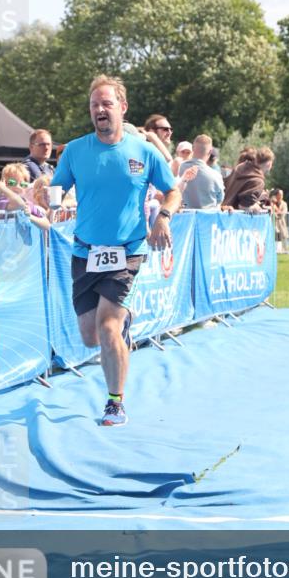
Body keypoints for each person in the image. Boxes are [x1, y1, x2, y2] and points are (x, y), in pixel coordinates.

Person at [51, 75, 180, 427]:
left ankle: (114, 403)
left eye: (107, 104)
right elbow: (57, 187)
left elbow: (173, 191)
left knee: (107, 328)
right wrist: (48, 199)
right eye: (95, 105)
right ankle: (123, 325)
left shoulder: (144, 151)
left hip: (127, 251)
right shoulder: (76, 150)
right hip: (85, 252)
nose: (100, 110)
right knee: (90, 336)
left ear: (122, 108)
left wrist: (163, 218)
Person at [178, 134, 224, 209]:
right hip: (208, 218)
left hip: (183, 217)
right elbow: (220, 199)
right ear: (210, 152)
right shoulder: (216, 175)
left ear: (192, 148)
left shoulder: (179, 168)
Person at [222, 146, 274, 212]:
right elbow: (243, 206)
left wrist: (256, 198)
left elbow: (239, 195)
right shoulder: (258, 181)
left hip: (224, 213)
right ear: (269, 164)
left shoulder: (240, 167)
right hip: (235, 218)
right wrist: (259, 209)